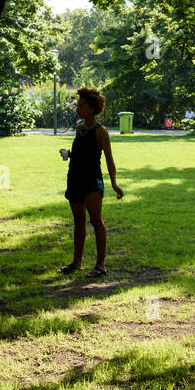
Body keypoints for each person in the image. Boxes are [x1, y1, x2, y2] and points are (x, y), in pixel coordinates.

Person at [59, 88, 123, 276]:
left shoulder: (100, 131)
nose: (78, 108)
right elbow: (80, 154)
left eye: (82, 106)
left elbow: (109, 159)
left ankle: (100, 265)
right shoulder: (79, 129)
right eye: (78, 105)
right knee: (78, 221)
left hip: (92, 182)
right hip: (75, 179)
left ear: (93, 108)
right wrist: (68, 154)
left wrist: (114, 183)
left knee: (96, 221)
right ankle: (77, 262)